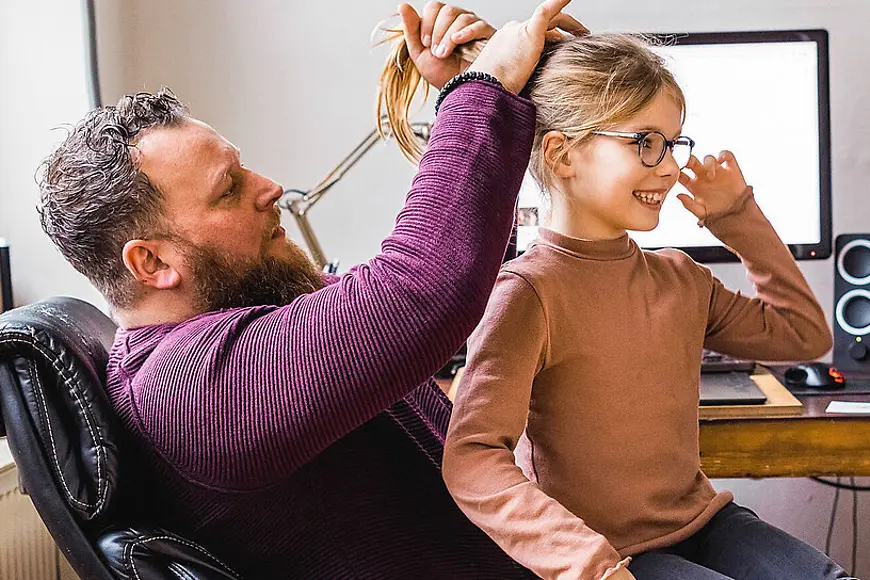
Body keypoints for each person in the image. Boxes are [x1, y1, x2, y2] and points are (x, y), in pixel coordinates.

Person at [36, 2, 587, 578]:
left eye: (243, 168)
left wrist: (469, 96)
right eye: (229, 190)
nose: (271, 188)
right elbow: (420, 290)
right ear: (152, 261)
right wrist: (485, 89)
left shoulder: (256, 316)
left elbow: (433, 280)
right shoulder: (189, 389)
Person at [382, 33, 852, 580]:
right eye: (646, 142)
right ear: (561, 155)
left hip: (706, 524)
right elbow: (473, 457)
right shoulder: (527, 293)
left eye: (675, 143)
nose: (670, 166)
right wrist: (586, 565)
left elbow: (802, 337)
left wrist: (738, 217)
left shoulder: (679, 278)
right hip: (608, 554)